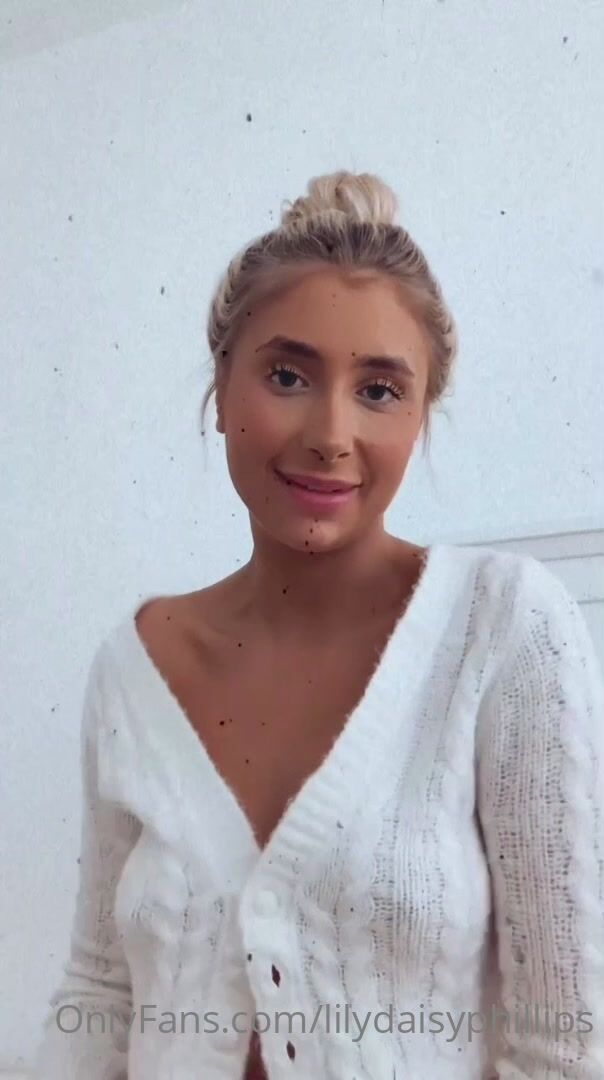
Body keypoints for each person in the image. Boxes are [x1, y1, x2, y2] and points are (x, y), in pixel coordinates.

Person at [33, 171, 604, 1079]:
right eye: (288, 376)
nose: (331, 433)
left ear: (420, 415)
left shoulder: (502, 629)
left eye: (379, 390)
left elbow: (564, 1045)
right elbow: (100, 991)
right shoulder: (134, 666)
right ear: (223, 387)